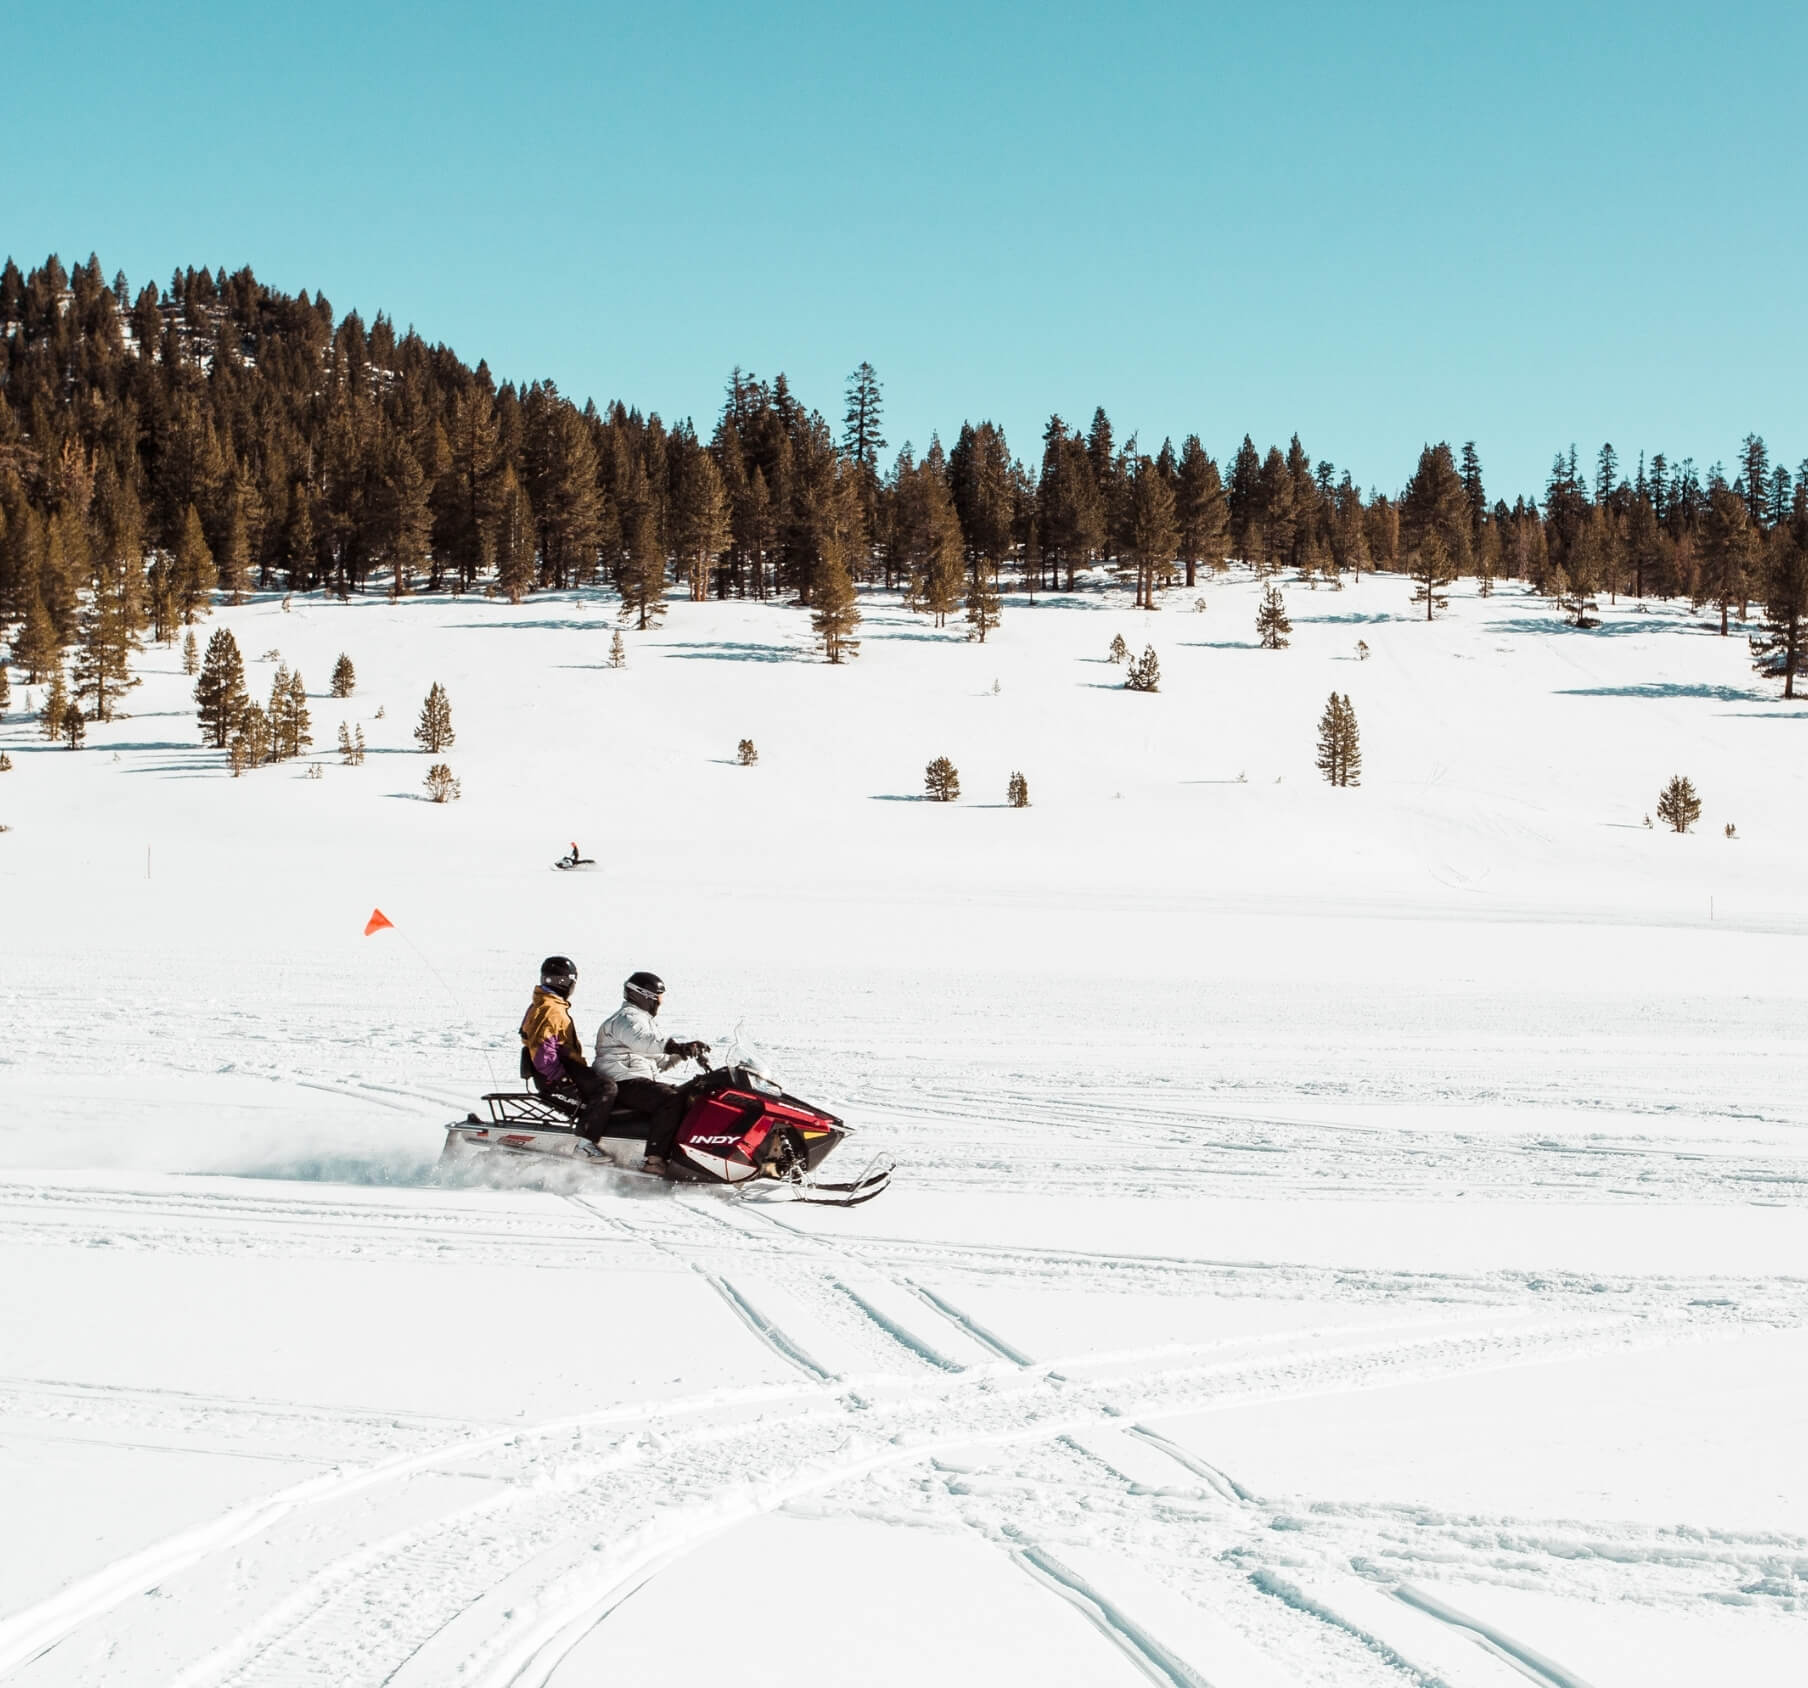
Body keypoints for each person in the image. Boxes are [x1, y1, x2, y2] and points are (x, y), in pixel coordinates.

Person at [593, 971, 710, 1177]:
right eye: (658, 997)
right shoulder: (627, 1018)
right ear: (644, 996)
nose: (660, 1002)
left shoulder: (641, 1019)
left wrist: (684, 1054)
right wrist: (676, 1046)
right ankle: (654, 1160)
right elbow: (643, 1041)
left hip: (634, 1078)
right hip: (623, 1080)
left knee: (688, 1095)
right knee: (670, 1100)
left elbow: (658, 1060)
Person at [519, 956, 616, 1143]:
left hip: (558, 1071)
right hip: (555, 1076)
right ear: (565, 982)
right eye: (573, 981)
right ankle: (586, 1144)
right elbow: (543, 1053)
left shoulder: (546, 1004)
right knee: (606, 1088)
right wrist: (562, 1080)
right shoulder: (550, 1009)